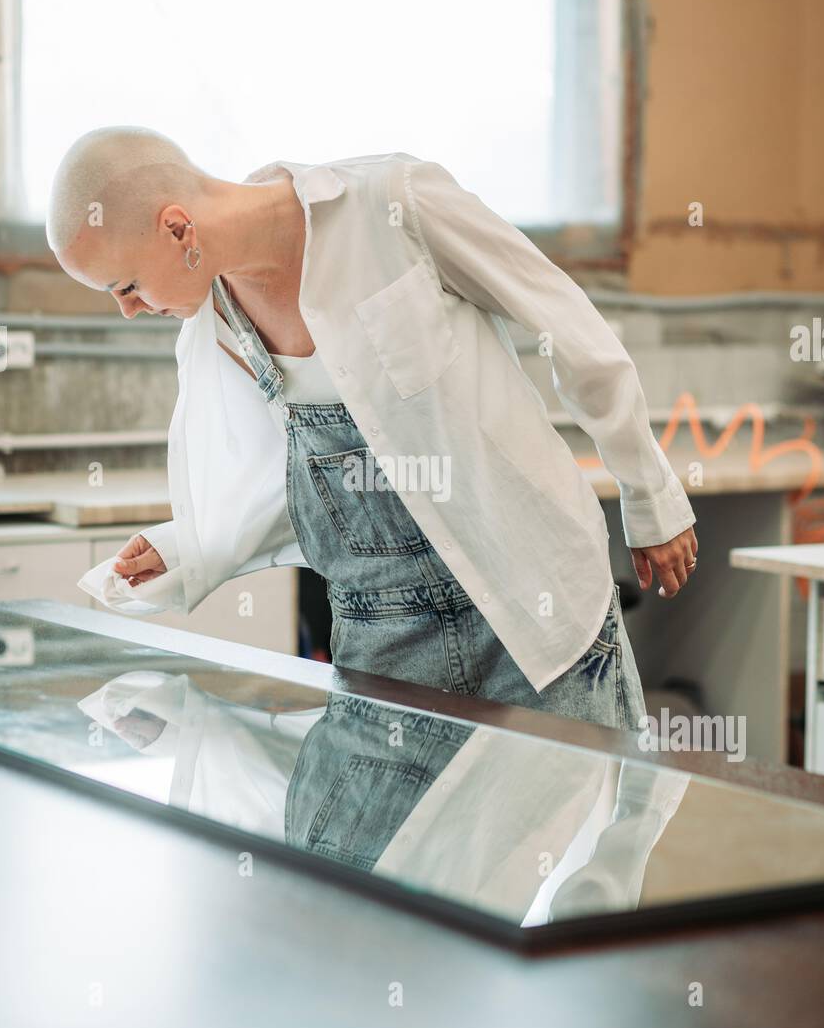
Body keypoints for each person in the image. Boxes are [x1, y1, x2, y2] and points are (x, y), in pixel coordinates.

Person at [48, 126, 698, 731]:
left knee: (578, 844)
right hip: (382, 643)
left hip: (533, 607)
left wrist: (648, 495)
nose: (128, 310)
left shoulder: (394, 205)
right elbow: (311, 485)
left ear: (176, 227)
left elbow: (570, 329)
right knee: (353, 853)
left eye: (125, 285)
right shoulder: (217, 328)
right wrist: (188, 547)